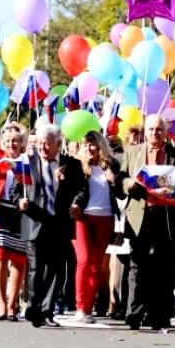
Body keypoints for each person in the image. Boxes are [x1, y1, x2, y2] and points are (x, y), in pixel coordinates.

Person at [122, 114, 175, 331]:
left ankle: (159, 314)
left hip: (166, 216)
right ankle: (134, 312)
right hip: (140, 215)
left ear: (165, 132)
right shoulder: (133, 152)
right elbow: (121, 178)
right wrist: (128, 184)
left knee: (164, 267)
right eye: (151, 129)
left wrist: (169, 191)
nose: (155, 133)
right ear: (145, 131)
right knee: (137, 265)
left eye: (159, 130)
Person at [19, 124, 87, 328]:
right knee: (36, 268)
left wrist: (78, 204)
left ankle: (47, 311)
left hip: (60, 222)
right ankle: (34, 307)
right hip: (34, 221)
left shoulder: (71, 165)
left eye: (46, 144)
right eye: (39, 144)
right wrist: (18, 202)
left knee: (57, 269)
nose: (42, 148)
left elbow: (82, 189)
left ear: (58, 144)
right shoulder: (26, 163)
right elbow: (15, 189)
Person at [72, 130, 120, 324]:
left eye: (93, 144)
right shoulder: (78, 167)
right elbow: (71, 190)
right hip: (82, 217)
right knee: (83, 260)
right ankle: (79, 306)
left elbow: (120, 192)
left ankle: (88, 308)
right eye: (85, 144)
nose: (89, 148)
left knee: (96, 266)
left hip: (105, 218)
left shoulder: (111, 166)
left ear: (101, 146)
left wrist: (114, 179)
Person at [0, 123, 29, 321]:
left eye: (16, 141)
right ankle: (2, 302)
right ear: (2, 143)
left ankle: (13, 304)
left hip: (21, 213)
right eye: (8, 140)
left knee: (19, 259)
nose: (12, 143)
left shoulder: (28, 162)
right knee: (0, 254)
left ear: (22, 144)